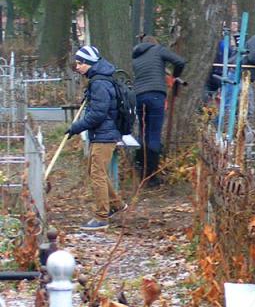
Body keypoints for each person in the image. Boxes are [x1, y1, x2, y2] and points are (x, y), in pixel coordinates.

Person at [65, 45, 127, 230]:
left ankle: (101, 217)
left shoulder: (99, 83)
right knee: (96, 171)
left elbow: (98, 114)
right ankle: (117, 205)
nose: (77, 67)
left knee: (97, 174)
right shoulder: (99, 79)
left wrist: (77, 127)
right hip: (103, 134)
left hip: (104, 135)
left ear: (88, 63)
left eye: (79, 63)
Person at [132, 35, 186, 185]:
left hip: (139, 96)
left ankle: (141, 170)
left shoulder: (136, 56)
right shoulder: (158, 50)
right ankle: (152, 176)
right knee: (154, 134)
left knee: (143, 132)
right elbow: (180, 62)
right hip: (156, 95)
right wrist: (175, 77)